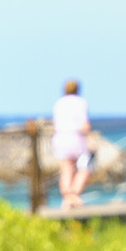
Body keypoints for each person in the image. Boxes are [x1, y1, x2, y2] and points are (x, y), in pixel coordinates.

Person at [51, 79, 92, 210]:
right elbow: (84, 124)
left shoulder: (59, 103)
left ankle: (67, 198)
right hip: (76, 138)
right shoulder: (81, 103)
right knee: (84, 169)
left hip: (60, 138)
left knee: (66, 170)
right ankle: (73, 195)